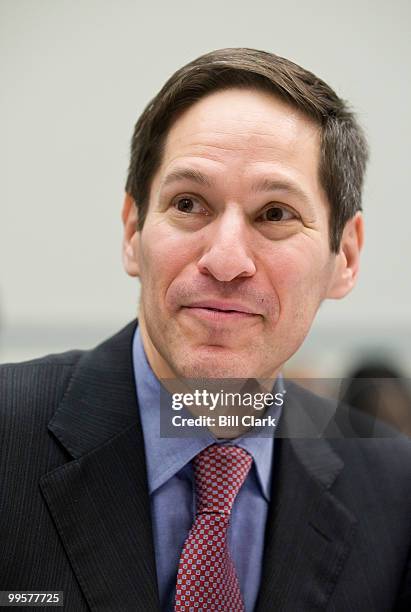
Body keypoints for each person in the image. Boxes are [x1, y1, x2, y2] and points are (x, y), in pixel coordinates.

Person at [1, 48, 410, 611]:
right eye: (189, 203)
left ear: (345, 256)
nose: (225, 259)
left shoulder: (396, 493)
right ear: (132, 231)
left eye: (275, 214)